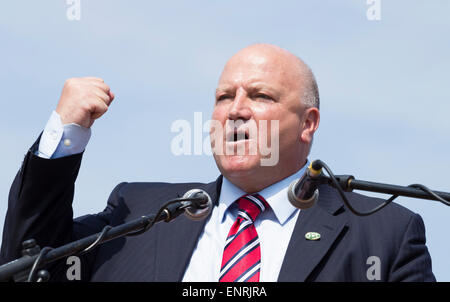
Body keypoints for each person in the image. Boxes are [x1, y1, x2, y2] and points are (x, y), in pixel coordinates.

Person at [0, 44, 435, 281]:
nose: (236, 109)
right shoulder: (139, 212)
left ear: (308, 123)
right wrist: (66, 134)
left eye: (260, 96)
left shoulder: (385, 235)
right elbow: (30, 262)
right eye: (224, 97)